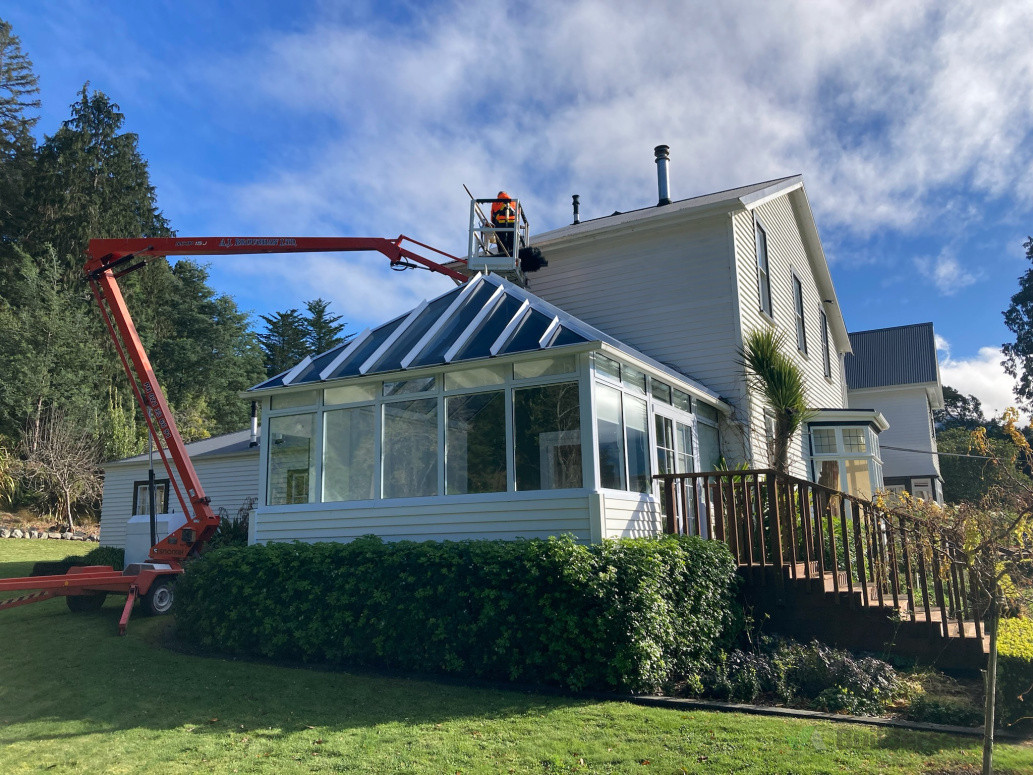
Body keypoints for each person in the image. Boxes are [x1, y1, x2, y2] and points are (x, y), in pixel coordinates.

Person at [490, 191, 517, 257]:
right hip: (512, 223)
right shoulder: (514, 202)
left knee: (501, 240)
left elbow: (492, 217)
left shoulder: (495, 202)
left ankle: (502, 254)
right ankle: (512, 254)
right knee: (512, 240)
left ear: (498, 195)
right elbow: (518, 213)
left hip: (500, 223)